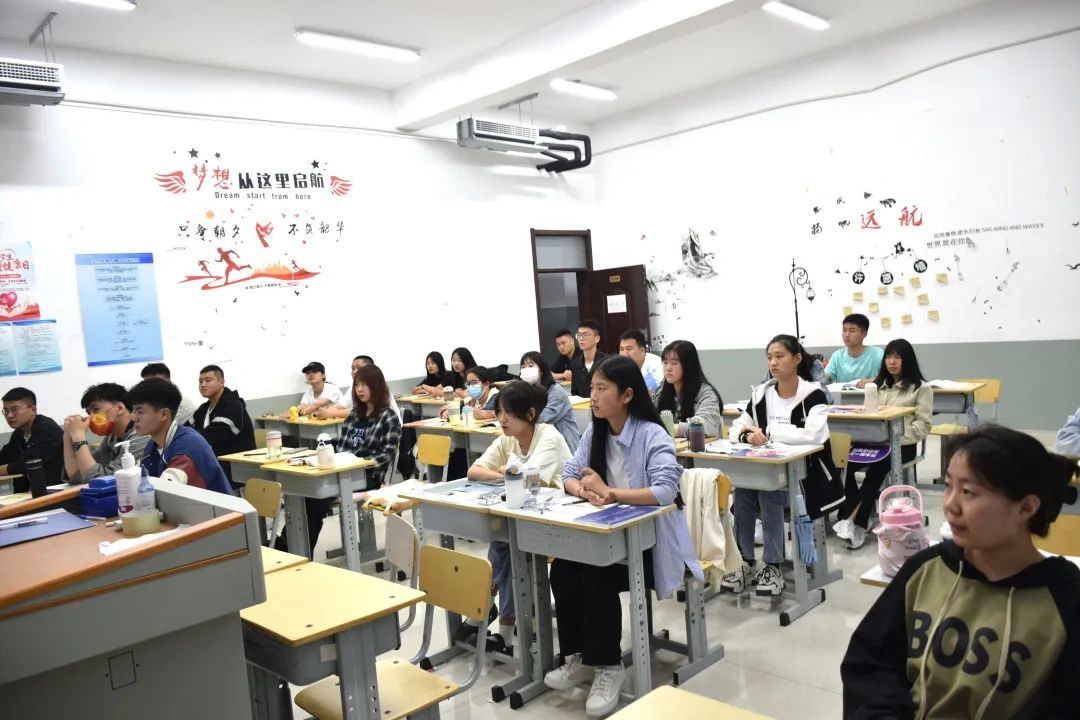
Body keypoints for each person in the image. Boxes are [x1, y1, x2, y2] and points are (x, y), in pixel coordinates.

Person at [842, 425, 1080, 719]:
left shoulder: (1065, 599)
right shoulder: (926, 570)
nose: (950, 505)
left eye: (968, 492)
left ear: (1025, 508)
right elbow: (871, 664)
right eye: (948, 486)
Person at [544, 356, 701, 717]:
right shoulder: (595, 430)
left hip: (651, 545)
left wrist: (611, 493)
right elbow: (569, 473)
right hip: (608, 538)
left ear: (627, 395)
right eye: (592, 388)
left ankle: (608, 667)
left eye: (602, 389)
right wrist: (585, 491)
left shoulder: (651, 434)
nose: (593, 396)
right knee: (563, 569)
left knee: (596, 574)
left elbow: (665, 491)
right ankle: (578, 656)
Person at [724, 335, 842, 597]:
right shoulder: (761, 394)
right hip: (769, 474)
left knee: (771, 492)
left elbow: (814, 435)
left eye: (780, 356)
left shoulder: (813, 395)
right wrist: (746, 436)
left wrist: (768, 431)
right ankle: (745, 561)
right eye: (770, 357)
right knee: (743, 491)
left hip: (806, 483)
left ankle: (773, 566)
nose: (773, 363)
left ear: (797, 359)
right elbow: (735, 428)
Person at [464, 381, 572, 655]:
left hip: (561, 521)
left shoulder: (548, 436)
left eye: (509, 413)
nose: (502, 419)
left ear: (530, 414)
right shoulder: (507, 439)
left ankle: (485, 609)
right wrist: (505, 473)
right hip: (526, 516)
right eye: (499, 412)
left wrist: (510, 472)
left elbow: (528, 478)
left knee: (507, 548)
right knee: (505, 545)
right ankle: (503, 630)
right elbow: (474, 471)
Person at [296, 364, 405, 554]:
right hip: (343, 472)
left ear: (377, 386)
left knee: (315, 498)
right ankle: (295, 549)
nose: (360, 389)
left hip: (368, 477)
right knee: (306, 493)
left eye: (365, 384)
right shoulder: (354, 415)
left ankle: (300, 553)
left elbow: (385, 455)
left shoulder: (387, 416)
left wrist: (356, 464)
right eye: (357, 385)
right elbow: (342, 448)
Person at [834, 339, 932, 549]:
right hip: (873, 444)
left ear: (907, 360)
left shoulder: (920, 388)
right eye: (888, 357)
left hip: (902, 446)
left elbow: (923, 426)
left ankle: (855, 523)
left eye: (897, 357)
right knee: (841, 463)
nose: (892, 362)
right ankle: (860, 514)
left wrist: (895, 439)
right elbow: (867, 417)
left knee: (877, 470)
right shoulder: (877, 386)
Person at [128, 378, 234, 495]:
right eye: (133, 411)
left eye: (140, 412)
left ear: (164, 414)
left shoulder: (188, 446)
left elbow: (165, 492)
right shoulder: (152, 445)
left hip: (218, 507)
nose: (134, 418)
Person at [62, 383, 149, 483]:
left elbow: (99, 481)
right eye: (89, 413)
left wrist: (79, 436)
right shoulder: (111, 439)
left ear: (119, 408)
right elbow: (78, 476)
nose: (91, 417)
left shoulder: (141, 435)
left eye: (96, 409)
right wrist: (67, 437)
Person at [191, 365, 256, 489]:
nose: (203, 384)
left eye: (208, 380)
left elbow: (213, 434)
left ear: (221, 382)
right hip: (215, 466)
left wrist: (189, 438)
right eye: (200, 381)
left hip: (236, 470)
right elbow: (188, 429)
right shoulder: (204, 408)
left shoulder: (233, 406)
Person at [653, 339, 723, 438]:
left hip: (700, 447)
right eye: (665, 363)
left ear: (688, 366)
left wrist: (669, 429)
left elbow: (706, 426)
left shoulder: (706, 394)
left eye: (674, 363)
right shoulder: (661, 392)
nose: (668, 368)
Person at [0, 387, 63, 491]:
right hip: (32, 492)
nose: (9, 415)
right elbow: (5, 456)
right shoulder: (19, 433)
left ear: (33, 410)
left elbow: (28, 463)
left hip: (56, 491)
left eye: (14, 409)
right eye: (6, 411)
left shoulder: (47, 429)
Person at [519, 351, 581, 452]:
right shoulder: (527, 393)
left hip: (565, 448)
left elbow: (541, 418)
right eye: (523, 367)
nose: (526, 370)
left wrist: (518, 417)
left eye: (530, 366)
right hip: (542, 446)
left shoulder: (556, 391)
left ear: (541, 370)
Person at [317, 355, 400, 419]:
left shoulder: (377, 386)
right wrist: (325, 411)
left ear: (371, 369)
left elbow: (364, 412)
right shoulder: (355, 387)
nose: (354, 371)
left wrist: (331, 413)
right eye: (353, 368)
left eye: (359, 368)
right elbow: (340, 405)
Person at [824, 314, 884, 387]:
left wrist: (875, 381)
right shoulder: (837, 356)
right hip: (842, 394)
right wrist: (820, 375)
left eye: (852, 331)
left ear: (864, 334)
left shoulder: (877, 354)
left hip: (869, 393)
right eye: (844, 330)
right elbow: (827, 376)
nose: (846, 335)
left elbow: (888, 378)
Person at [569, 320, 609, 398]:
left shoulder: (607, 361)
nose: (581, 338)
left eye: (585, 335)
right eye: (579, 335)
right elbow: (574, 392)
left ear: (597, 338)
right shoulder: (575, 363)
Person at [618, 329, 664, 394]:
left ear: (642, 350)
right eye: (621, 349)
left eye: (629, 349)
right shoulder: (621, 366)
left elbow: (645, 394)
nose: (624, 354)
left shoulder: (655, 367)